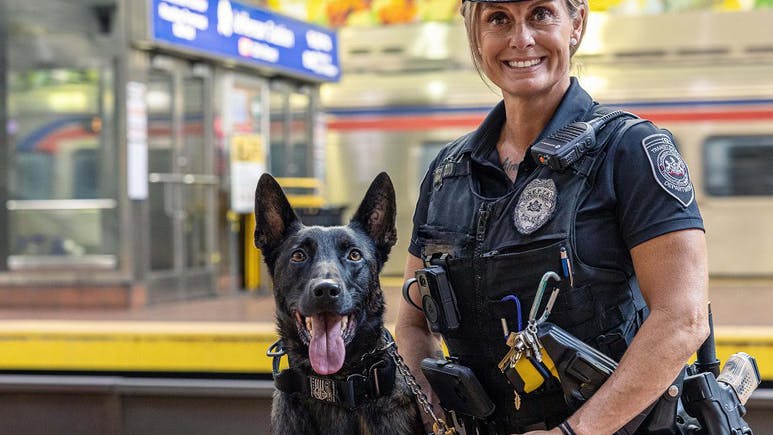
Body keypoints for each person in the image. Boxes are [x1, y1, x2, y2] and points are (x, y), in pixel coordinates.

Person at [395, 0, 710, 434]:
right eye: (498, 18)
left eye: (541, 13)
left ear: (576, 24)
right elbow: (412, 323)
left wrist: (574, 431)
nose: (520, 38)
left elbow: (683, 319)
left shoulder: (630, 150)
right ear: (474, 34)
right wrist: (430, 411)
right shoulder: (447, 171)